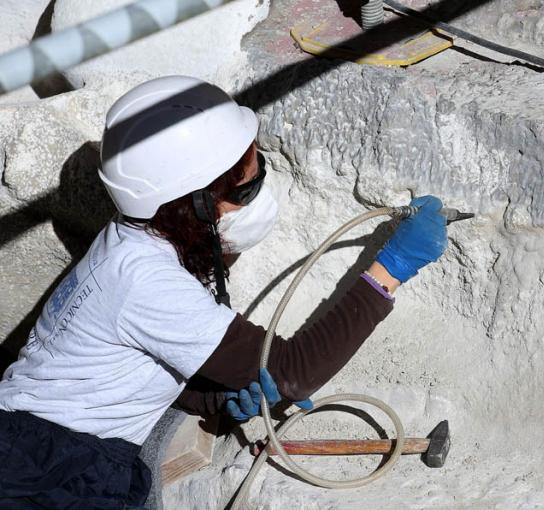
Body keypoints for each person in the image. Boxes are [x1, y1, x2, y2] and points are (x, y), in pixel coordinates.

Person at [0, 75, 448, 508]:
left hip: (35, 446)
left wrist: (212, 396)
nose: (259, 194)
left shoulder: (130, 244)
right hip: (49, 468)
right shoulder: (147, 281)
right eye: (246, 188)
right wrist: (390, 269)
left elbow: (115, 373)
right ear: (191, 204)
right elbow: (293, 371)